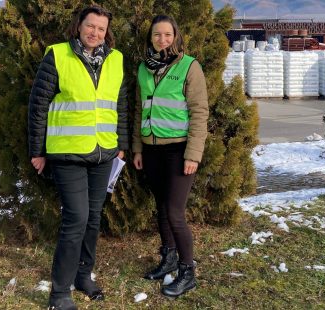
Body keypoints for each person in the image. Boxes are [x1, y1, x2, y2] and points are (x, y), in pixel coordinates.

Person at [28, 5, 128, 310]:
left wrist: (120, 144)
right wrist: (36, 150)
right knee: (76, 219)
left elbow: (120, 105)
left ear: (106, 31)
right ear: (79, 26)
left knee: (93, 219)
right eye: (90, 26)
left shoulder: (116, 59)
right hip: (67, 153)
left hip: (103, 153)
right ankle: (60, 292)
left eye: (100, 28)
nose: (95, 33)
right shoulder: (57, 55)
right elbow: (38, 105)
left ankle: (83, 276)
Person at [132, 15, 208, 297]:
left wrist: (193, 155)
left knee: (175, 212)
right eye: (156, 35)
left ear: (175, 36)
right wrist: (138, 148)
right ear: (150, 37)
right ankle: (169, 258)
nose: (162, 39)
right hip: (151, 150)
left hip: (179, 151)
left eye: (167, 35)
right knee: (161, 207)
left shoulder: (189, 67)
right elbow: (140, 109)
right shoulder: (143, 68)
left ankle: (188, 271)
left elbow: (199, 112)